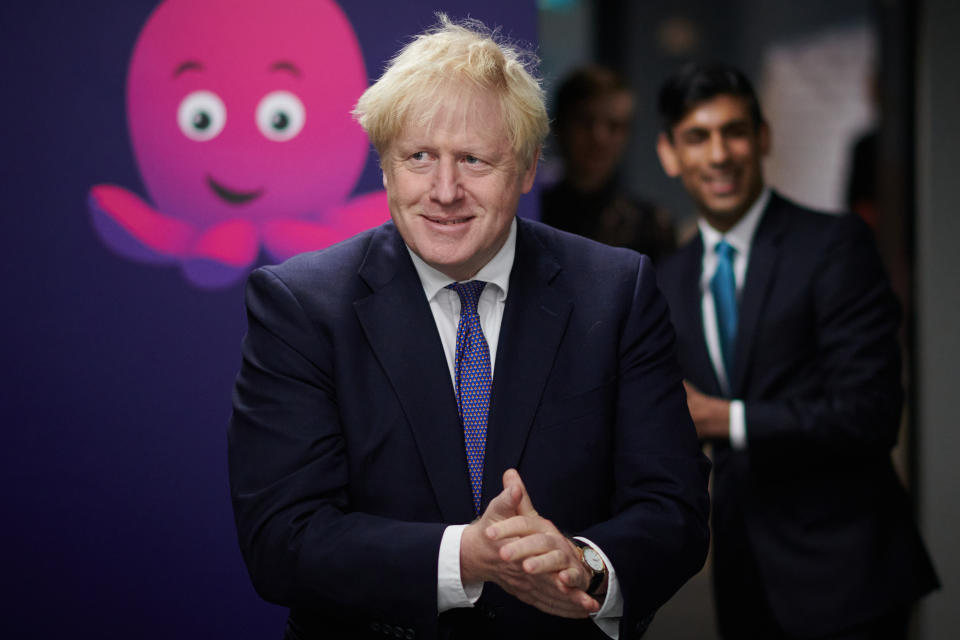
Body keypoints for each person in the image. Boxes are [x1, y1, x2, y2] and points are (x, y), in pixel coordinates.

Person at [228, 16, 710, 640]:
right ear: (385, 166)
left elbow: (673, 509)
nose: (444, 190)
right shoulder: (300, 306)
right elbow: (281, 538)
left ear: (530, 167)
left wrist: (586, 564)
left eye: (474, 160)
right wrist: (464, 557)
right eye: (419, 157)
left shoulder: (617, 292)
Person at [654, 62, 938, 639]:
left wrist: (723, 418)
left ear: (763, 138)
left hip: (848, 576)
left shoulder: (834, 246)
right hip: (741, 576)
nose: (719, 155)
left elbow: (872, 413)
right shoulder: (664, 280)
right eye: (697, 137)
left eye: (734, 132)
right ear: (669, 154)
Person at [541, 65, 676, 262]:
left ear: (627, 135)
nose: (599, 138)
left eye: (614, 126)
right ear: (559, 126)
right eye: (586, 122)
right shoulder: (530, 214)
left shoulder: (651, 226)